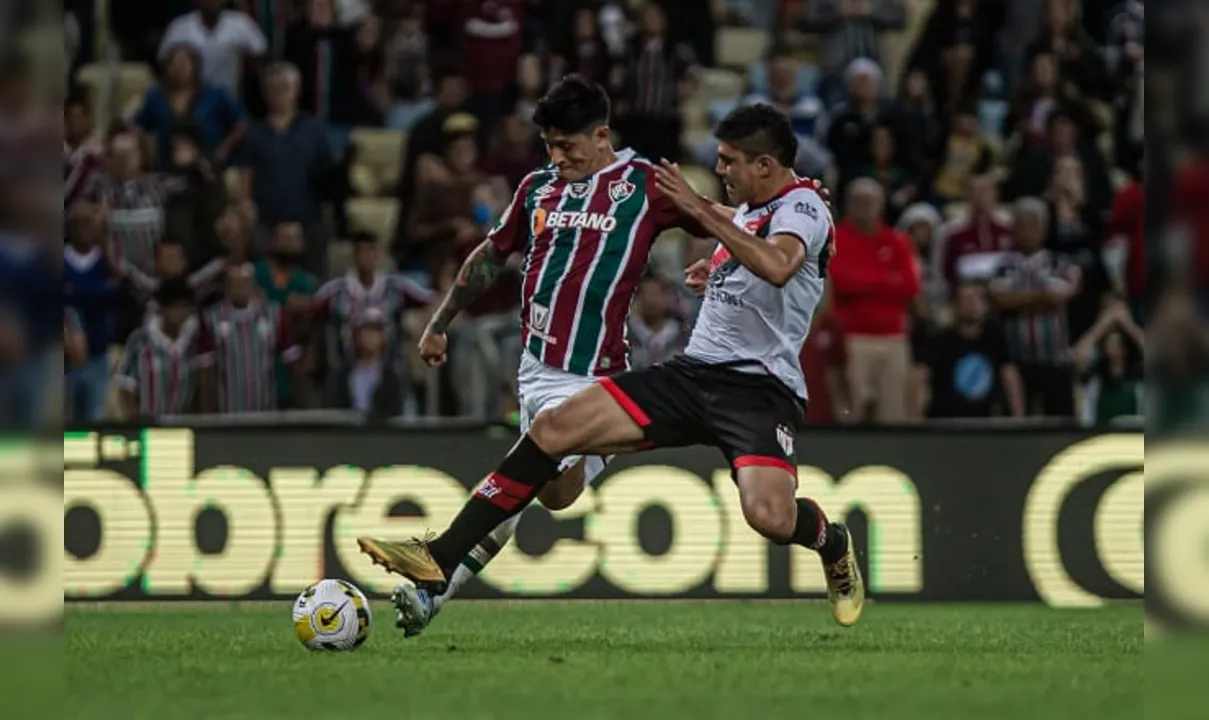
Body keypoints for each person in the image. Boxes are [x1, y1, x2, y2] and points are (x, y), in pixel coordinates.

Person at [358, 101, 863, 636]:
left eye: (729, 161)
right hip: (693, 375)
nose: (719, 172)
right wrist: (713, 267)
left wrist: (701, 209)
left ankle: (832, 542)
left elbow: (780, 266)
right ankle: (440, 557)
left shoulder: (804, 205)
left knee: (770, 518)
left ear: (765, 166)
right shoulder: (749, 208)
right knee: (552, 431)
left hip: (759, 392)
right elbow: (751, 257)